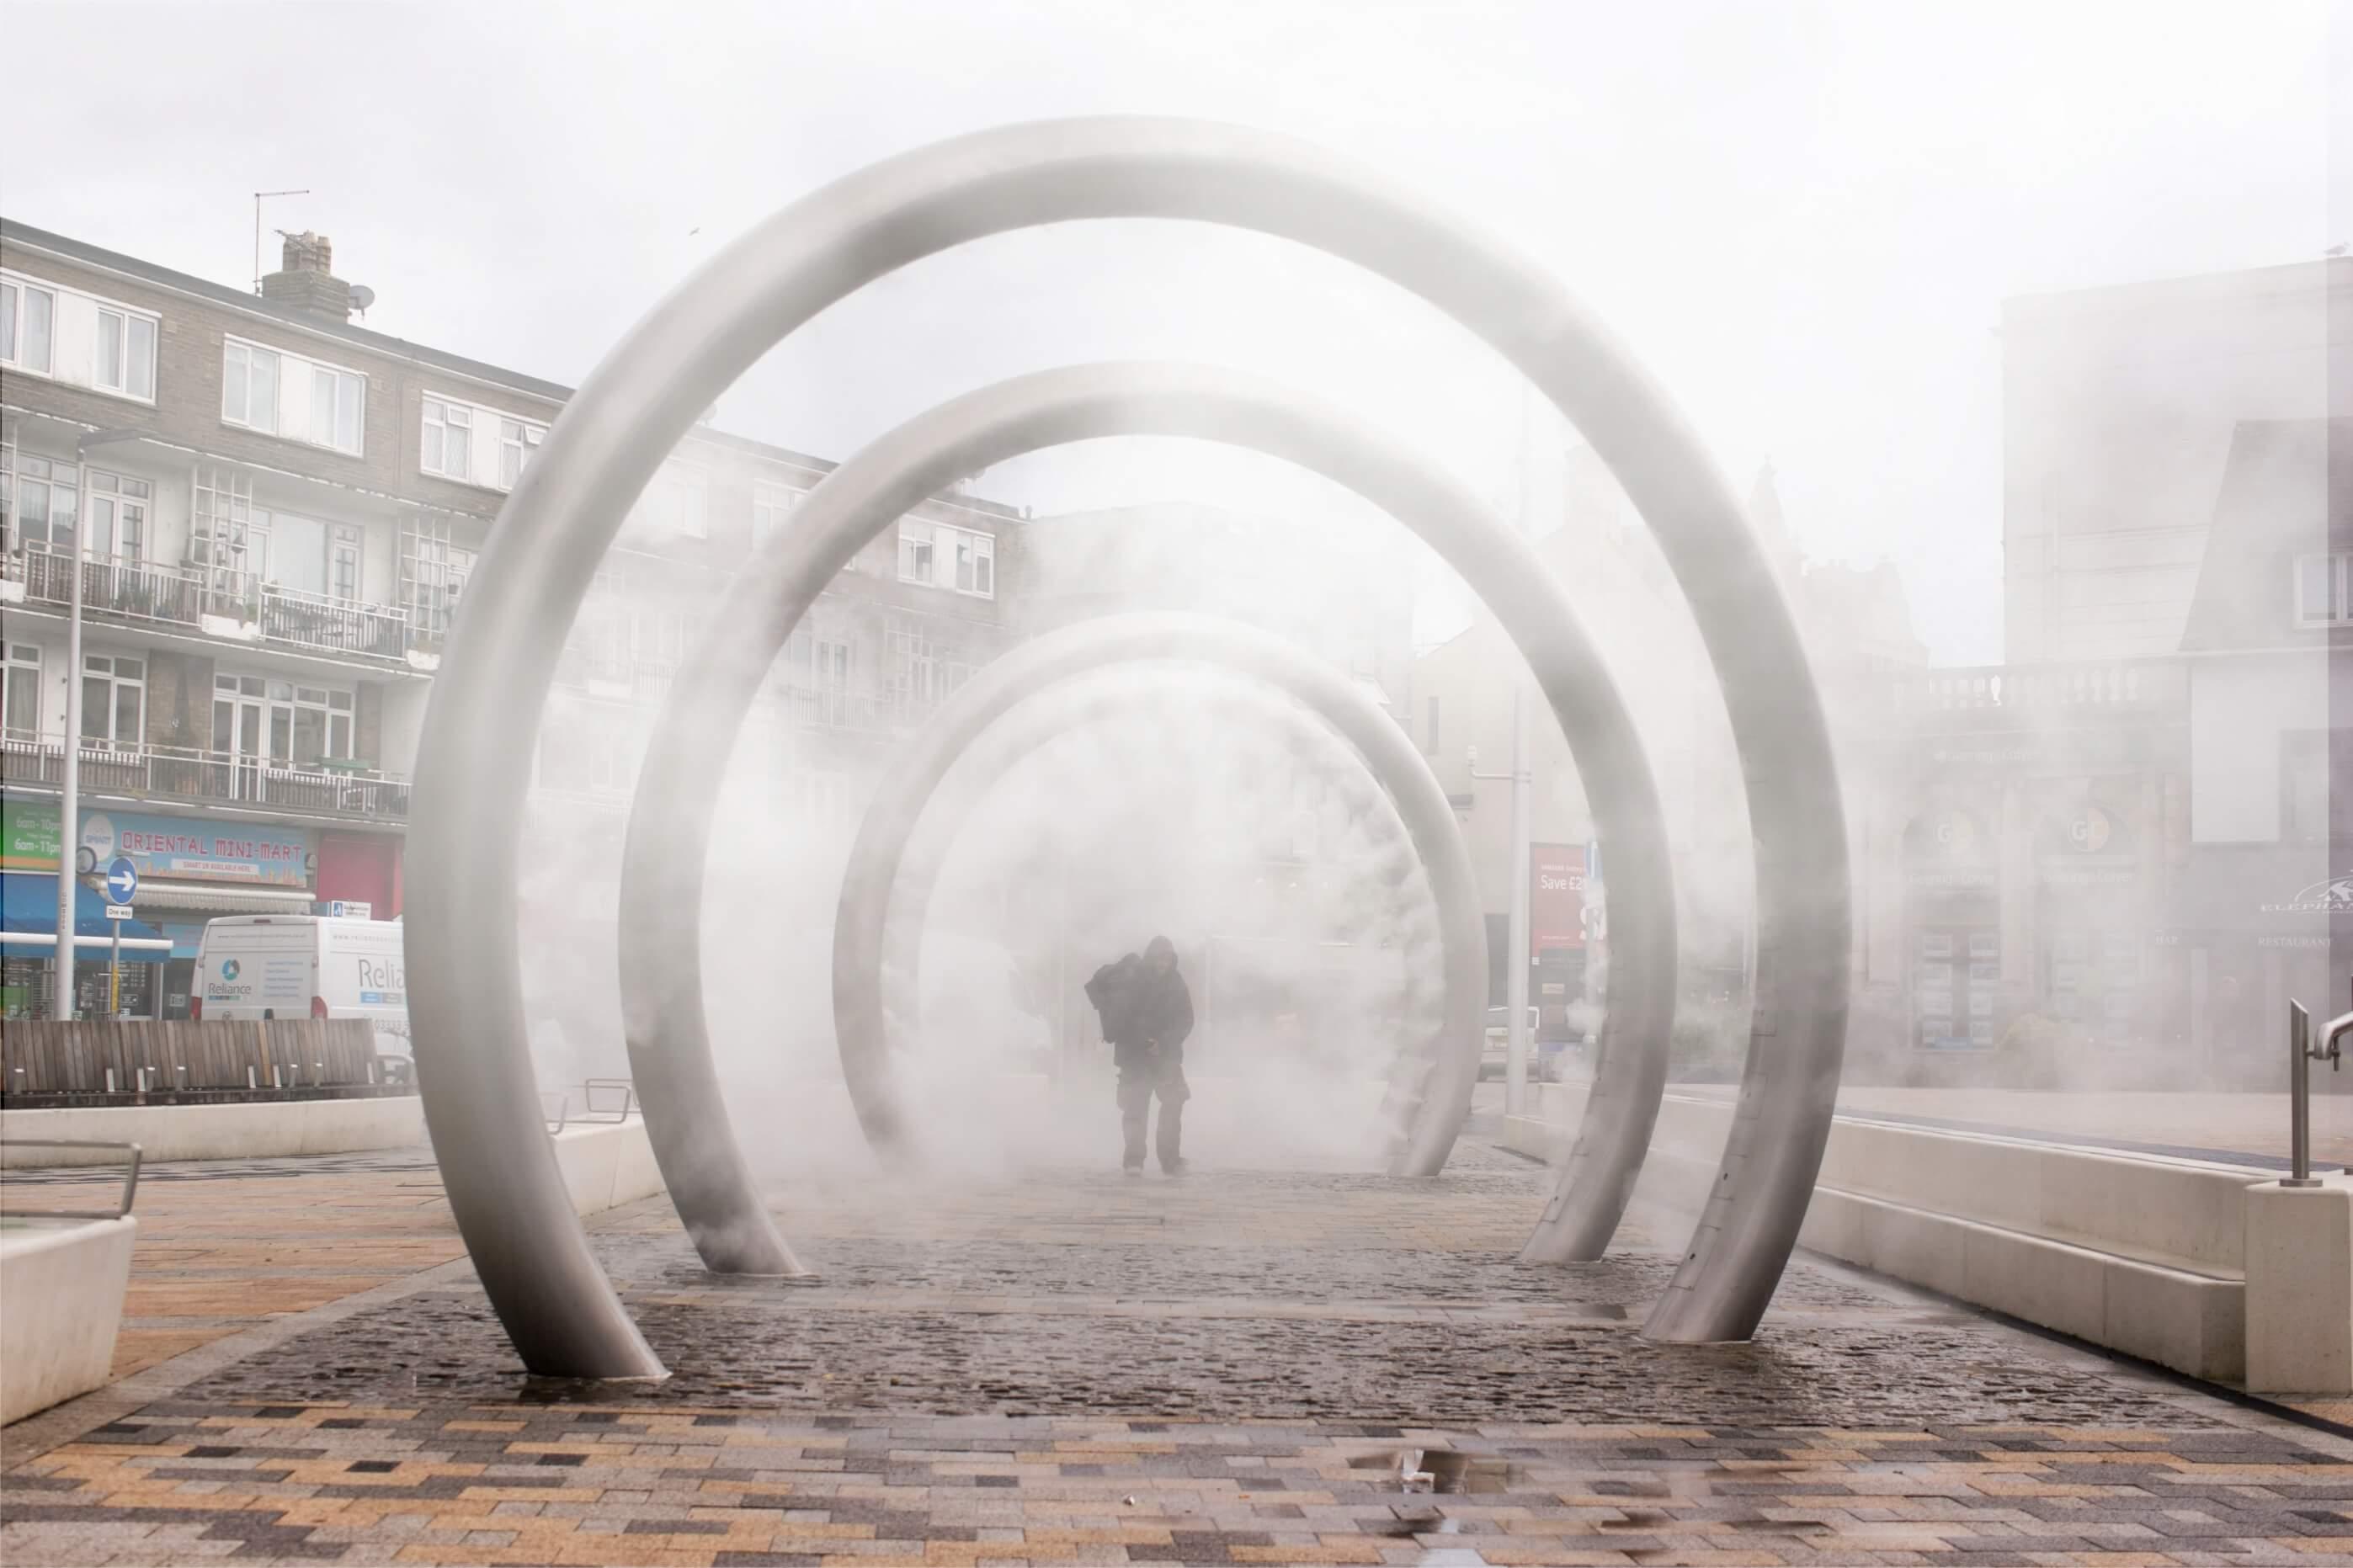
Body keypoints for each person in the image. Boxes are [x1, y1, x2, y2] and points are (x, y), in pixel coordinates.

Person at [1083, 934, 1195, 1176]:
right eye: (1159, 958)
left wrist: (1163, 1043)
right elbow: (1126, 1018)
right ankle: (1134, 1161)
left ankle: (1170, 1161)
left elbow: (1186, 1020)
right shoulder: (1133, 981)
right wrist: (1146, 1042)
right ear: (1151, 957)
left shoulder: (1176, 983)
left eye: (1167, 958)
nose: (1163, 963)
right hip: (1136, 1057)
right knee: (1135, 1109)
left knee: (1173, 1105)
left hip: (1167, 1057)